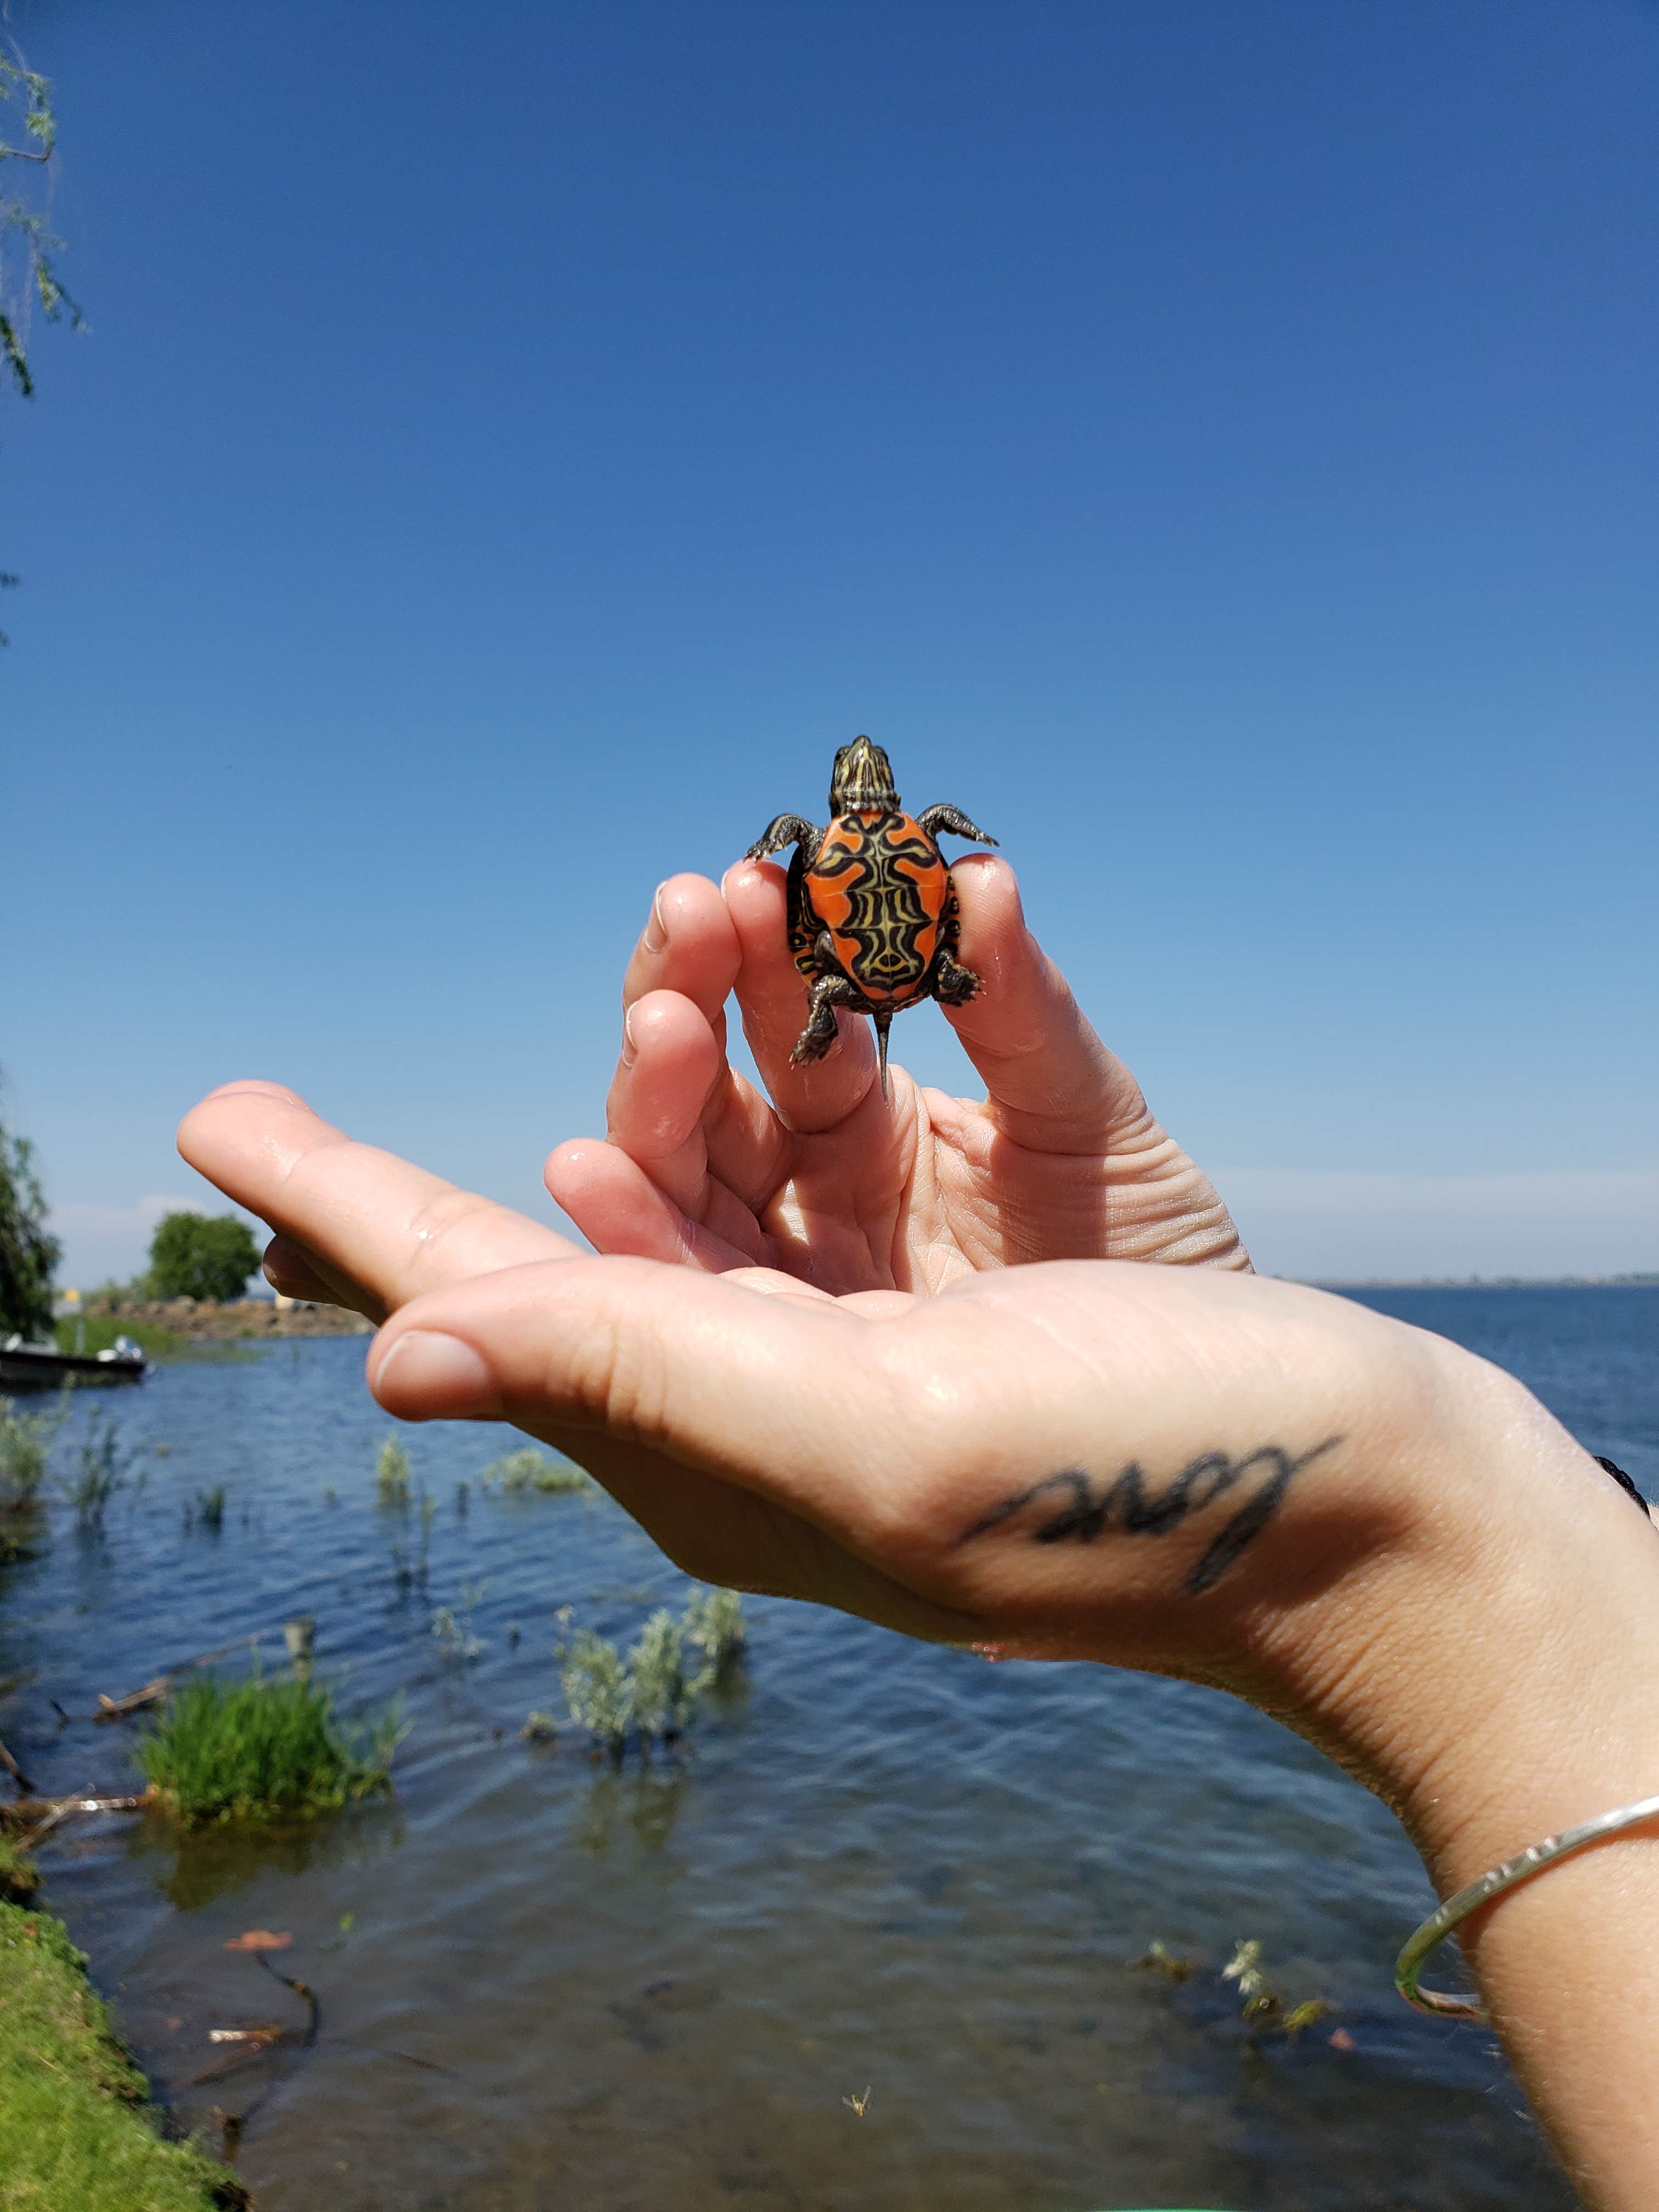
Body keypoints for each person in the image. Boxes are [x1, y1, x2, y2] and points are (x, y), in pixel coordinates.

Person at [179, 852, 1659, 2211]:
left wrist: (1430, 1519)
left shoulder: (872, 862)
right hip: (863, 965)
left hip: (861, 966)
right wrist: (1464, 1533)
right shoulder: (873, 854)